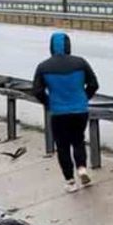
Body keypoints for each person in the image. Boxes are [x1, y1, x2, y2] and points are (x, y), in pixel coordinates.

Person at [33, 32, 100, 192]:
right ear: (68, 45)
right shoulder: (81, 63)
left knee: (62, 146)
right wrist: (84, 98)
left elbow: (37, 90)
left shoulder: (43, 67)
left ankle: (70, 181)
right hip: (79, 110)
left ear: (51, 47)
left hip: (58, 112)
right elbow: (93, 84)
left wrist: (49, 102)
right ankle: (82, 168)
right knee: (78, 140)